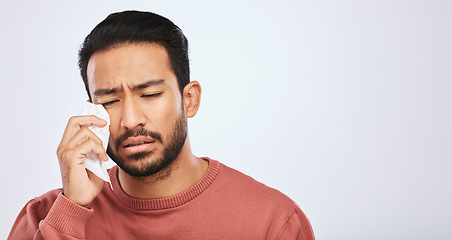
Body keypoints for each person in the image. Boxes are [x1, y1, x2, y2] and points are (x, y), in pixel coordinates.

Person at [8, 10, 315, 240]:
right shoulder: (45, 218)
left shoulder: (273, 222)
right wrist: (71, 210)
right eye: (110, 101)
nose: (130, 120)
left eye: (150, 94)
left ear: (190, 99)